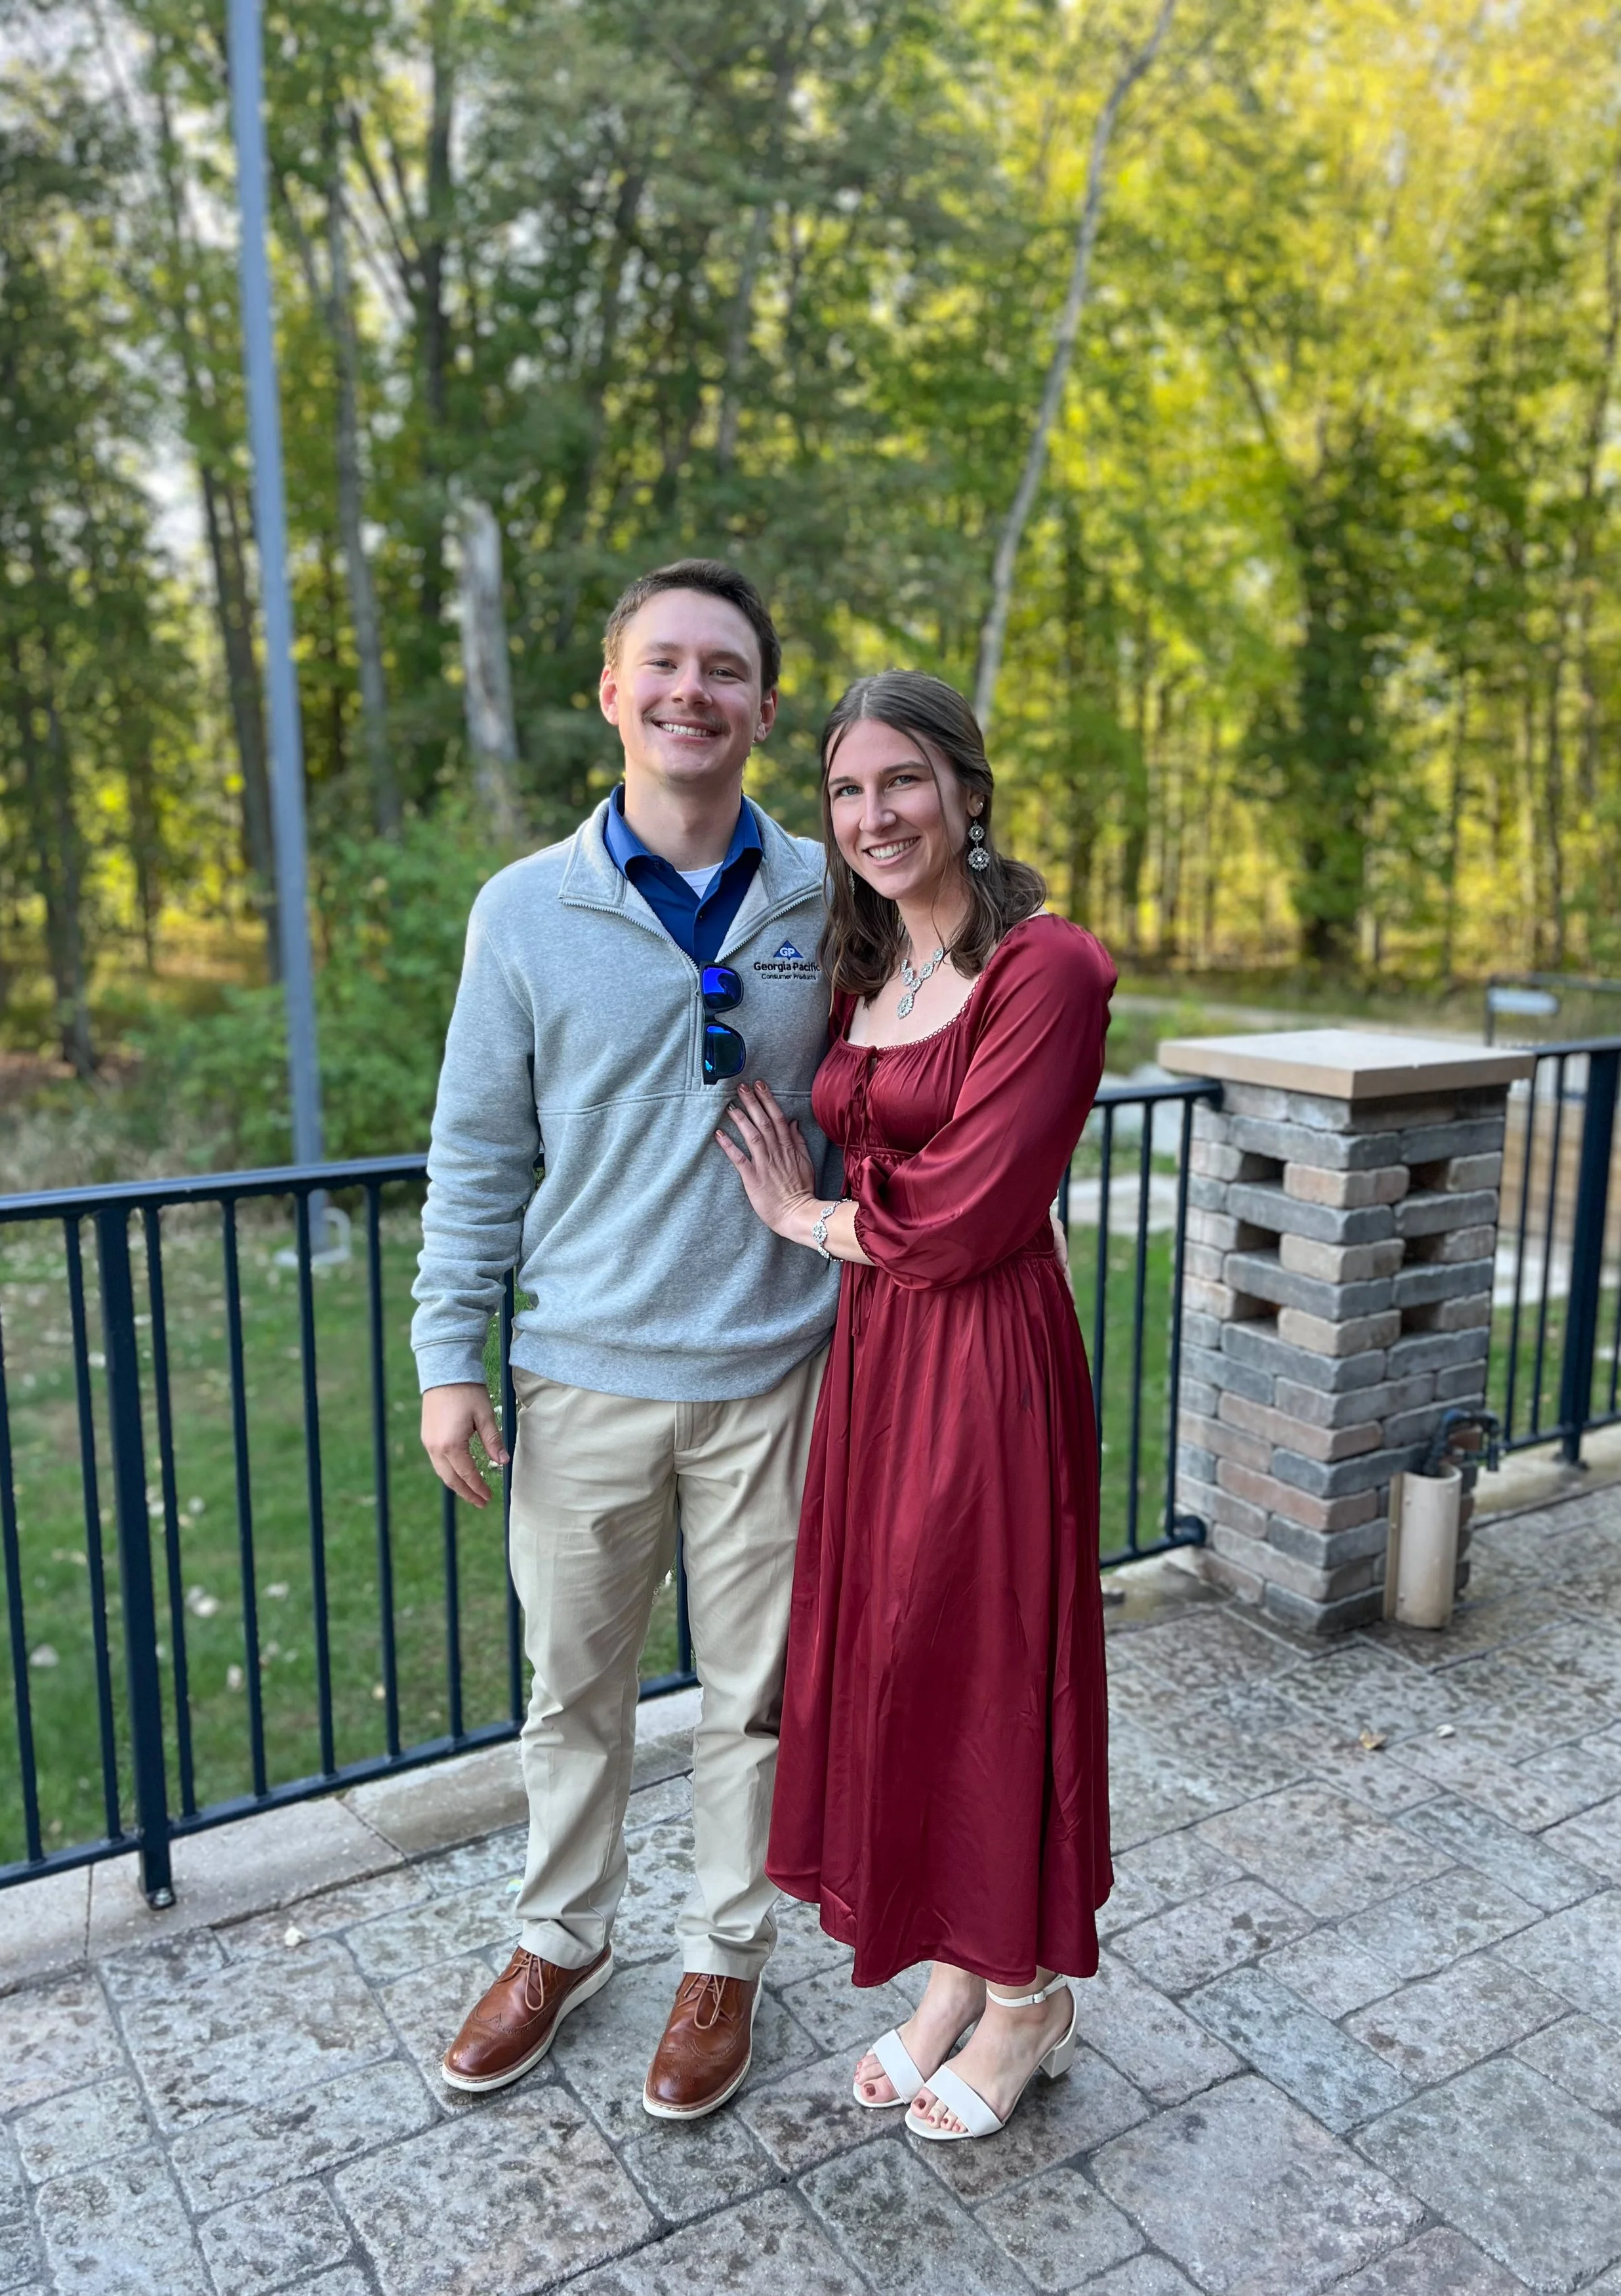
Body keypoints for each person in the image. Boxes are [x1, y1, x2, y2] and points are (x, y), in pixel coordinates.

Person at [412, 559, 839, 2121]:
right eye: (660, 664)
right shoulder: (523, 909)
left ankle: (722, 1953)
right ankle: (558, 1939)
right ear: (609, 693)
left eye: (723, 670)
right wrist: (447, 1357)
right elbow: (476, 1150)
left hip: (776, 1371)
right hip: (580, 1374)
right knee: (569, 1690)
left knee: (754, 1697)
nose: (689, 692)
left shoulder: (824, 895)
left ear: (763, 709)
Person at [716, 668, 1115, 2144]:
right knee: (903, 1657)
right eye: (843, 788)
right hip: (880, 1360)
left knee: (983, 1659)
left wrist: (799, 1217)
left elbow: (959, 1216)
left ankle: (1026, 2002)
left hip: (984, 1361)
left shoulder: (1047, 968)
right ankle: (957, 1969)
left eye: (900, 780)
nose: (871, 814)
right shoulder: (863, 967)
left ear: (964, 788)